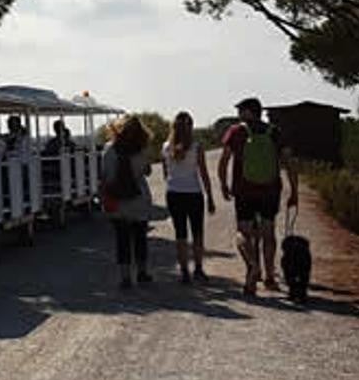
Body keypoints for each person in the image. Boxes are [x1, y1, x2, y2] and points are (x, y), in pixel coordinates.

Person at [217, 97, 298, 296]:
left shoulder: (236, 132)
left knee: (243, 233)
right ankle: (270, 276)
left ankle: (253, 267)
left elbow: (224, 161)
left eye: (240, 110)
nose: (237, 114)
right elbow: (289, 163)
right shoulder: (275, 132)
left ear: (247, 112)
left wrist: (223, 184)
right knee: (268, 232)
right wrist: (294, 191)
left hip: (244, 190)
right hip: (270, 190)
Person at [162, 111, 216, 284]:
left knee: (180, 234)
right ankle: (198, 269)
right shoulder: (197, 147)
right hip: (193, 193)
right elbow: (204, 174)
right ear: (191, 127)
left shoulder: (166, 147)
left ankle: (184, 271)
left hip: (174, 193)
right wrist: (210, 197)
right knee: (197, 233)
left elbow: (165, 174)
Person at [101, 115, 154, 288]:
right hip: (139, 199)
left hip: (118, 201)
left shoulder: (109, 149)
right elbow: (147, 171)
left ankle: (125, 277)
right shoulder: (142, 149)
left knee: (122, 240)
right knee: (140, 238)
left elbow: (106, 175)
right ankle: (142, 272)